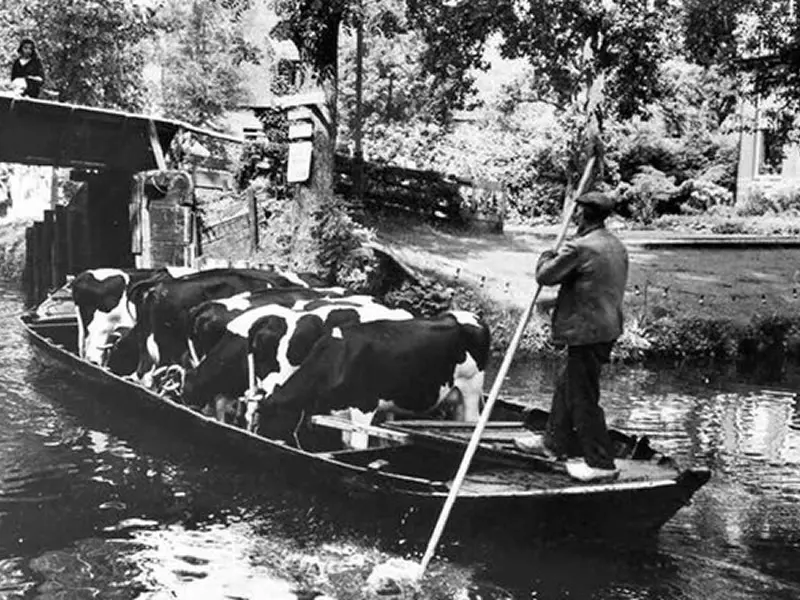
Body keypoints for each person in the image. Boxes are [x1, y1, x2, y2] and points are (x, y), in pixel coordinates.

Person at [515, 191, 629, 482]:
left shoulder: (581, 248)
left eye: (577, 212)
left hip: (587, 333)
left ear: (583, 215)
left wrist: (548, 254)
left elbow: (546, 275)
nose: (574, 216)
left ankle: (601, 464)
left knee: (582, 397)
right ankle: (554, 442)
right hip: (605, 329)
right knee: (567, 385)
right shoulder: (615, 245)